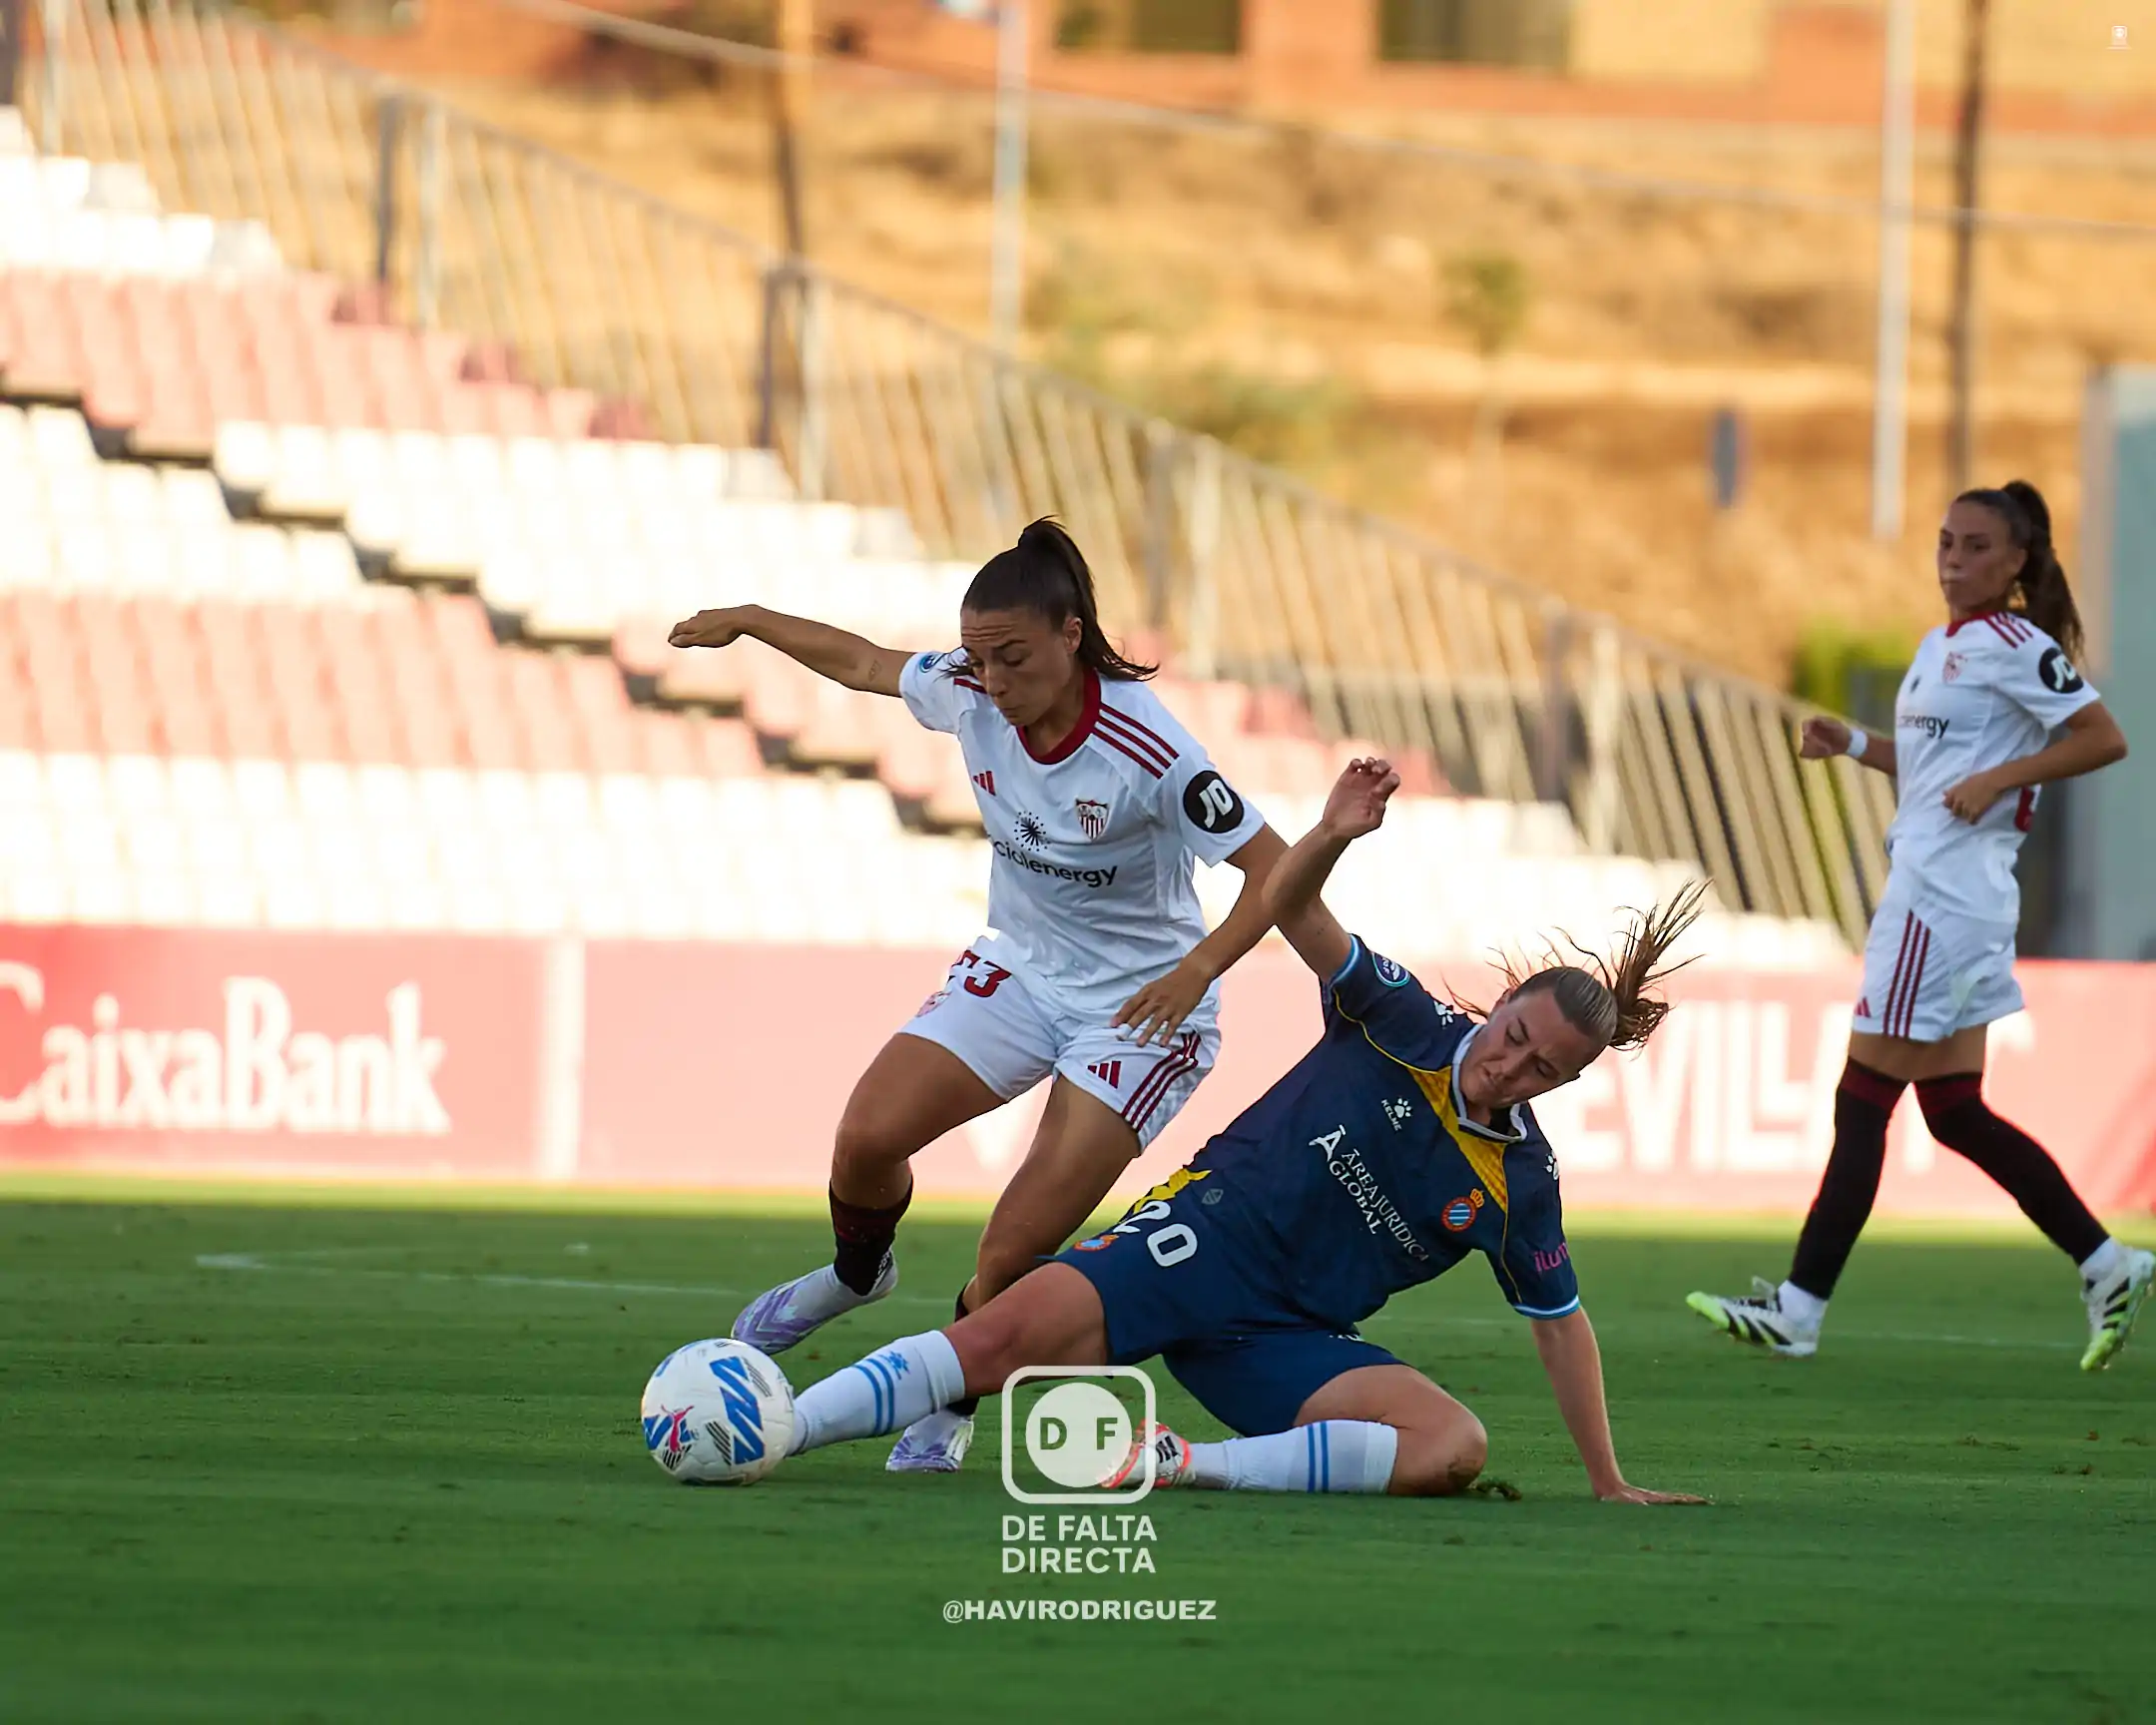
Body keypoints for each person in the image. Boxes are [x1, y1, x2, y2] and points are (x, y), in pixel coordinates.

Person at [768, 759, 1705, 1504]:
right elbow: (1291, 907)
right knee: (996, 1338)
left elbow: (1560, 1325)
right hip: (1196, 1243)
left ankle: (1186, 1462)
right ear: (1501, 1004)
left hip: (1286, 1340)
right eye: (1515, 1037)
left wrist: (1607, 1480)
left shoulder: (1521, 1182)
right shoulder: (1402, 1018)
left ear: (1569, 1081)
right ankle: (783, 1426)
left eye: (1544, 1068)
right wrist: (1332, 835)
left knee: (1451, 1446)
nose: (1513, 1065)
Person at [668, 518, 1285, 1472]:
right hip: (1024, 970)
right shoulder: (968, 689)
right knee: (868, 1136)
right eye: (979, 658)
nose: (991, 681)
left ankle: (948, 1407)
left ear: (1071, 635)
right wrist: (752, 619)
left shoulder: (1147, 746)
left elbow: (1275, 867)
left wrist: (1199, 968)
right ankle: (853, 1276)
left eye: (1013, 658)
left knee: (1009, 1255)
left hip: (1141, 1014)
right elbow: (867, 662)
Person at [1687, 480, 2146, 1371]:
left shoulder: (2018, 645)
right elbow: (1940, 763)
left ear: (2016, 562)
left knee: (1861, 1101)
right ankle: (2107, 1261)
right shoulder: (1942, 647)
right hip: (1948, 897)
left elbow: (2102, 737)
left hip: (1941, 904)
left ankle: (1799, 1309)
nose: (1954, 560)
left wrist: (2007, 776)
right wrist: (1856, 746)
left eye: (1976, 547)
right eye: (1946, 543)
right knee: (1955, 1112)